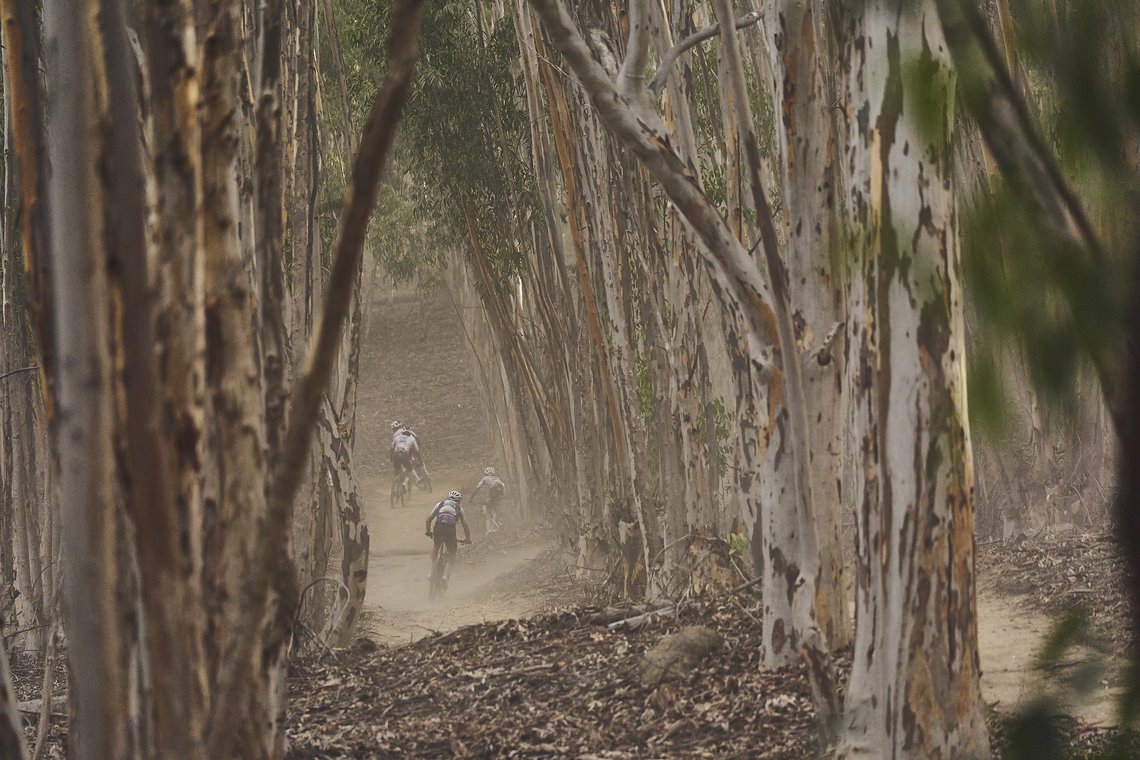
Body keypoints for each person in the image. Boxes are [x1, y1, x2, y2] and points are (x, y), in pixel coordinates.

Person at [425, 490, 471, 570]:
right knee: (452, 551)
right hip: (450, 528)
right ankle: (445, 576)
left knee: (436, 546)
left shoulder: (439, 504)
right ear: (458, 501)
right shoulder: (459, 508)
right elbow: (465, 525)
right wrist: (467, 538)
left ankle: (431, 571)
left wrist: (428, 531)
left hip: (438, 526)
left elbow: (429, 519)